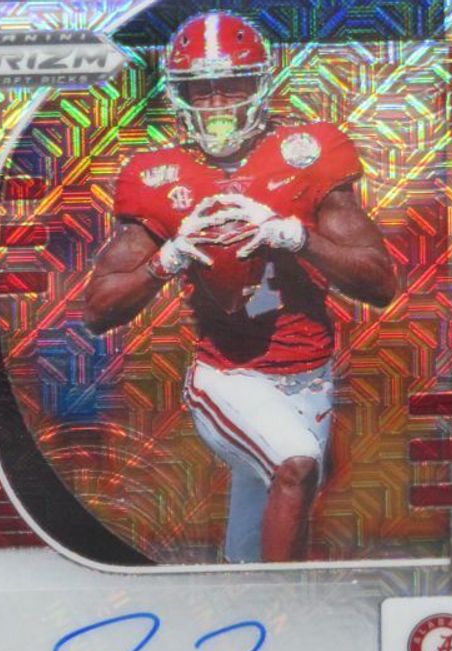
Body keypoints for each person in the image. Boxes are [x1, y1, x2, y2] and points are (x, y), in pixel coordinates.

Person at [84, 11, 395, 563]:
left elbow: (379, 281)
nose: (217, 103)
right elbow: (97, 309)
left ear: (260, 84)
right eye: (201, 89)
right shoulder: (158, 175)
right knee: (294, 467)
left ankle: (241, 595)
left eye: (231, 85)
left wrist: (297, 237)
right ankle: (283, 608)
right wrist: (167, 259)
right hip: (228, 376)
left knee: (258, 526)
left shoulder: (308, 153)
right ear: (179, 95)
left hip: (311, 376)